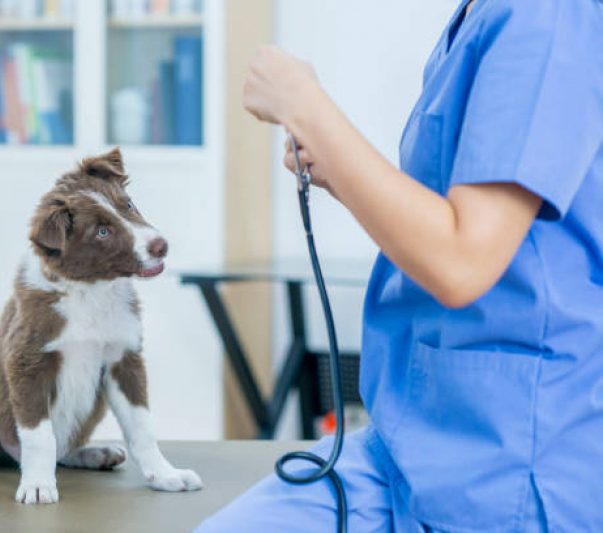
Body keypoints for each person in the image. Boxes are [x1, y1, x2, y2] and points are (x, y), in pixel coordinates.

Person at [196, 0, 603, 531]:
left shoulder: (545, 13)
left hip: (511, 452)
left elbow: (462, 261)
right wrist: (335, 166)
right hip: (409, 437)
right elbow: (445, 215)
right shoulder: (480, 16)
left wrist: (306, 106)